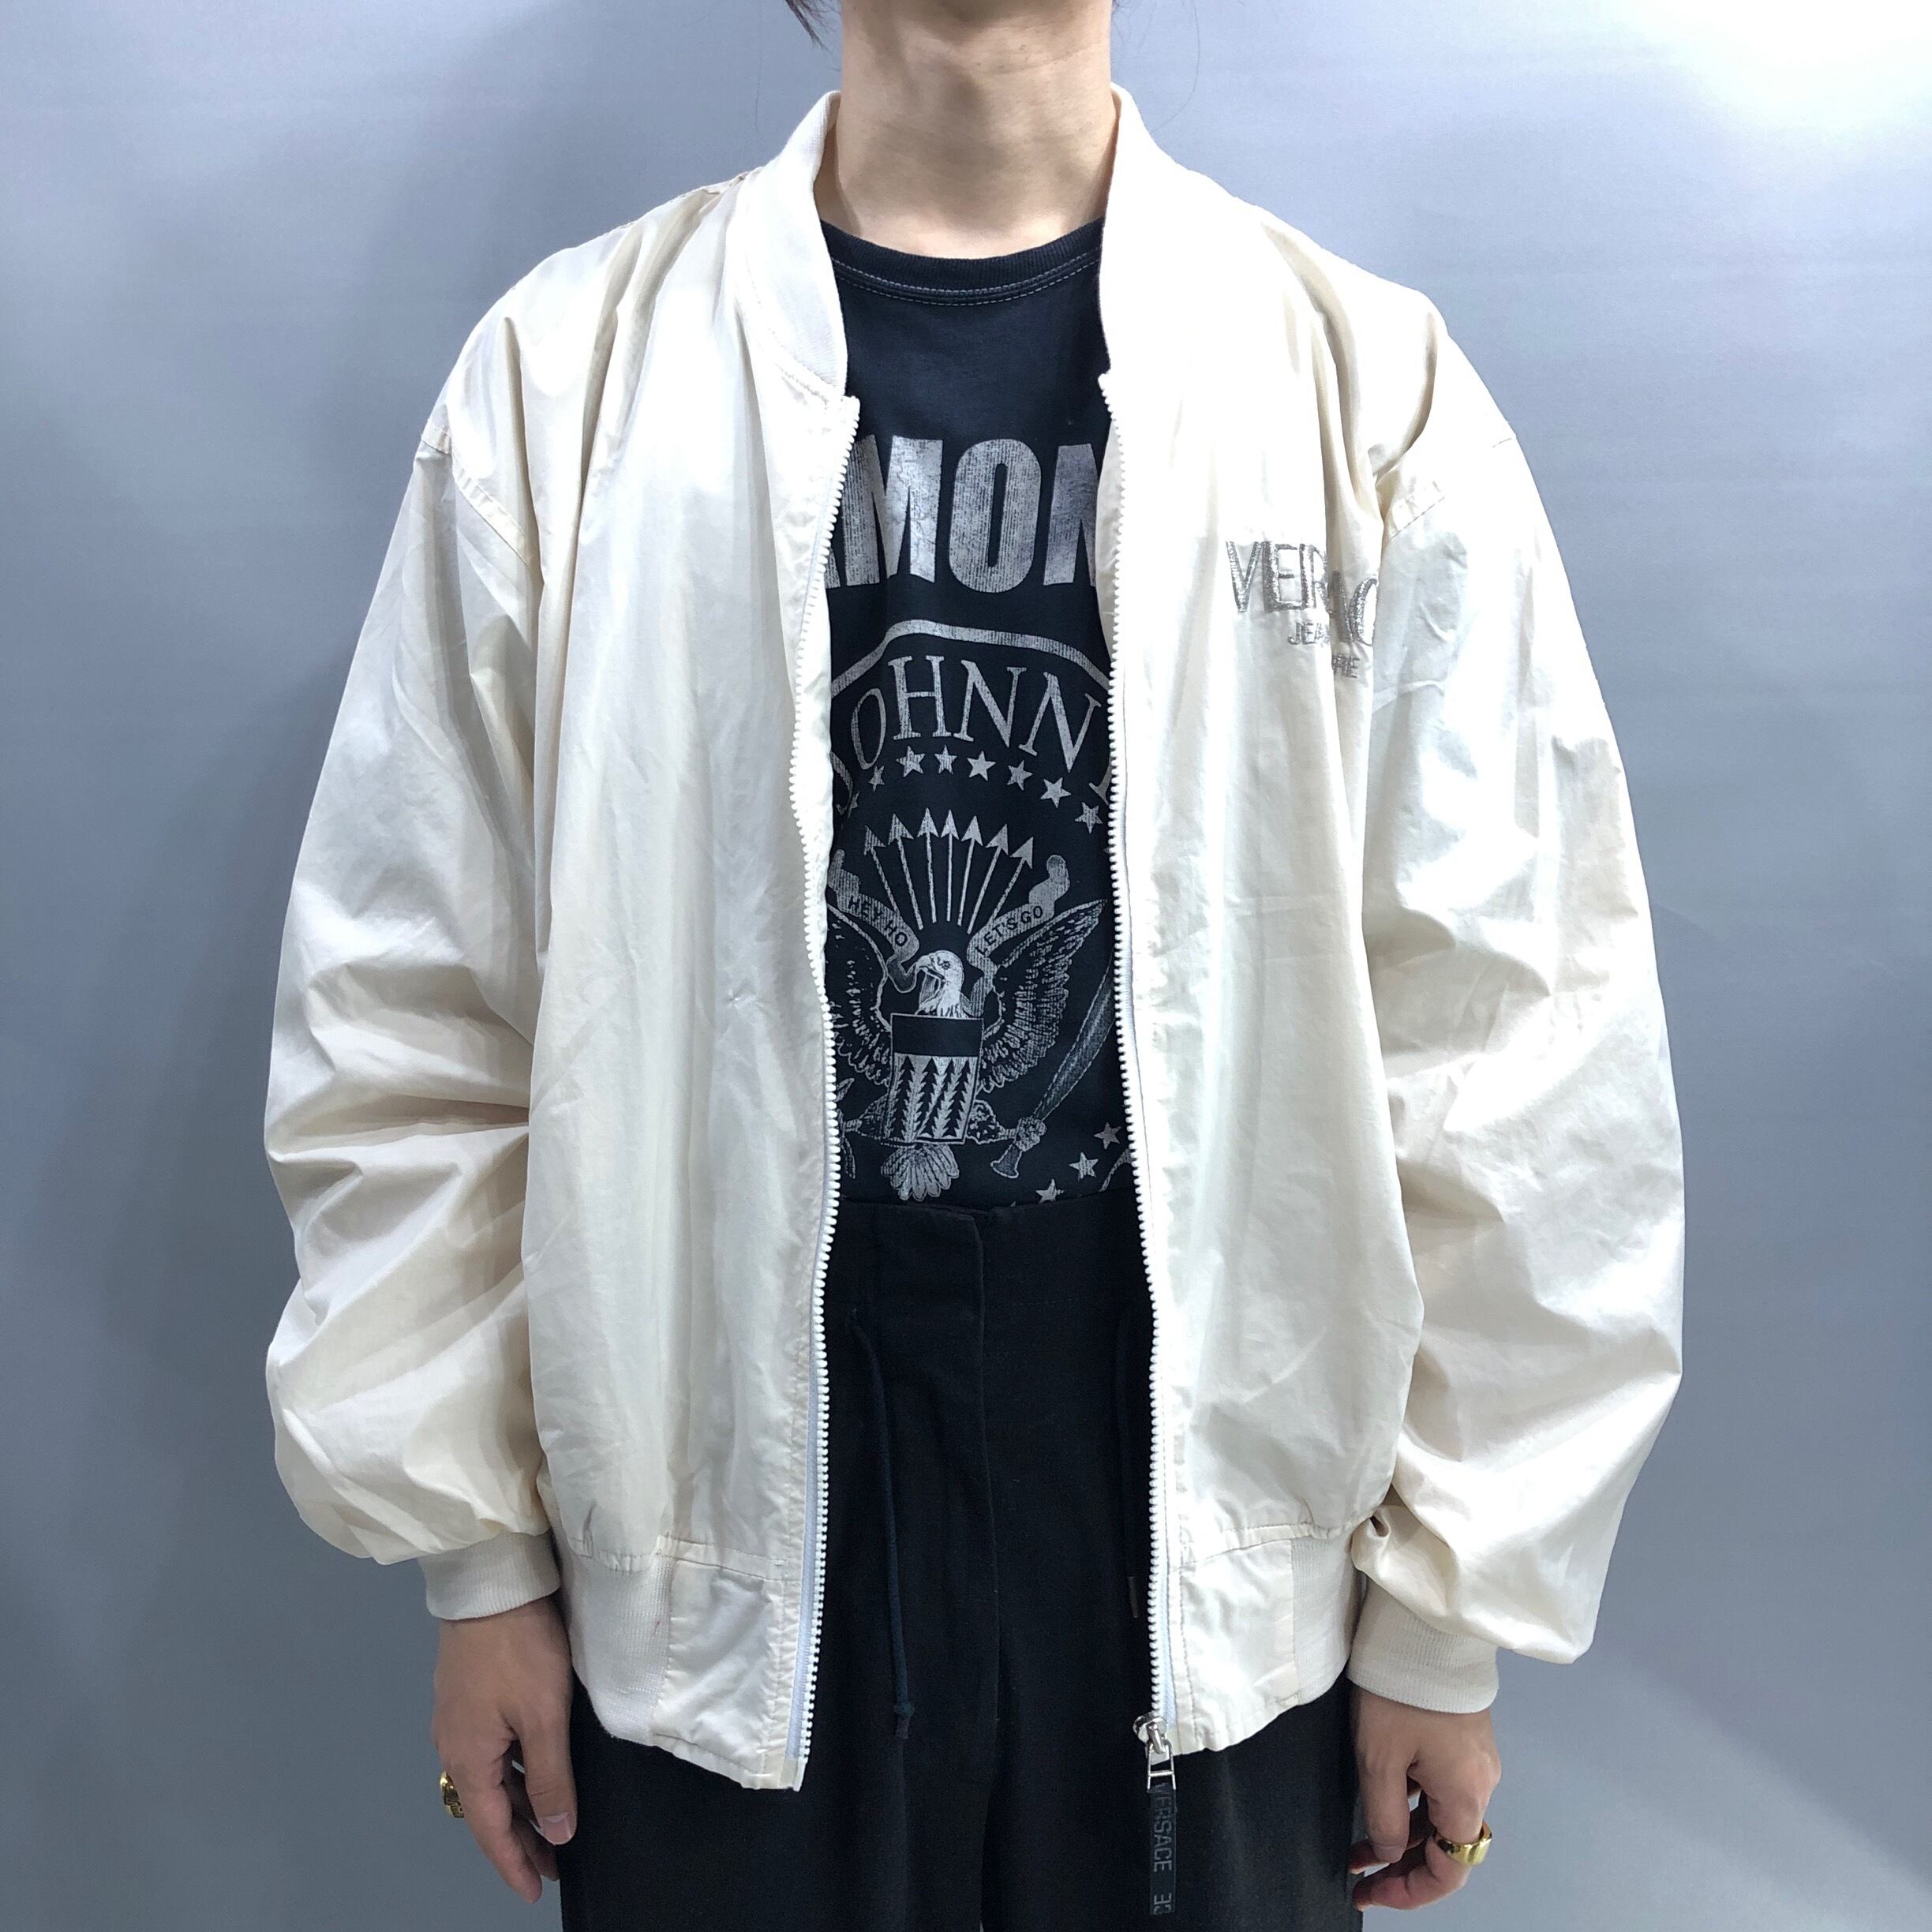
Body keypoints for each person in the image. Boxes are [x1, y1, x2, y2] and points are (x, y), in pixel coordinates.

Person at [260, 2, 1686, 1924]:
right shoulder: (570, 378)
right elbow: (418, 996)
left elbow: (1514, 1033)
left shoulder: (1357, 388)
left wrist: (1446, 1609)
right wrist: (481, 1558)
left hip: (1195, 1492)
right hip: (710, 1482)